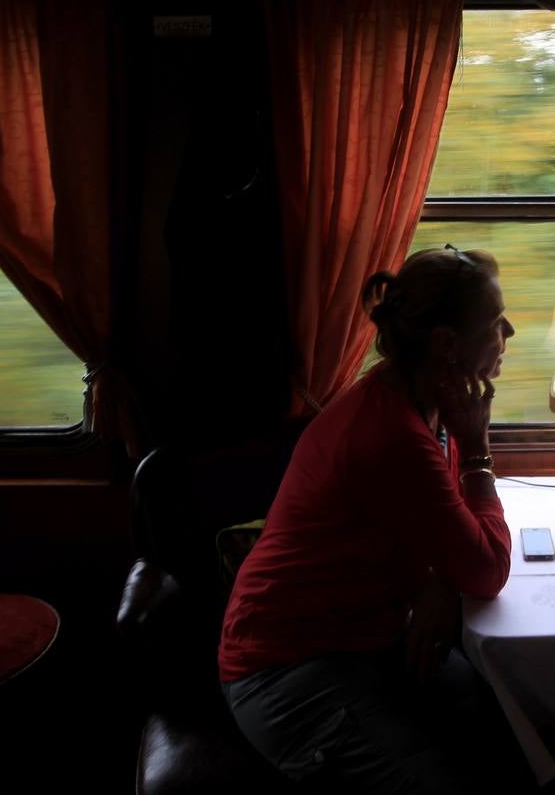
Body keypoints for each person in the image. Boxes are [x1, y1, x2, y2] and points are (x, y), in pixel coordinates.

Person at [219, 245, 521, 793]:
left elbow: (443, 534)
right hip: (288, 674)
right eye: (496, 321)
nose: (511, 332)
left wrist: (439, 583)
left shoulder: (427, 404)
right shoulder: (395, 436)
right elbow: (487, 567)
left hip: (365, 638)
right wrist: (479, 451)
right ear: (447, 345)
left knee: (510, 727)